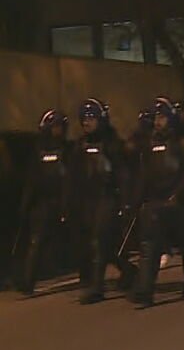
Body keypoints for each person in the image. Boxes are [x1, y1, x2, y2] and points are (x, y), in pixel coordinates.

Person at [130, 97, 184, 308]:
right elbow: (144, 176)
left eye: (161, 117)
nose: (158, 122)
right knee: (149, 246)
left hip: (180, 203)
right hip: (155, 204)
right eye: (155, 118)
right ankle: (145, 290)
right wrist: (135, 203)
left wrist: (178, 195)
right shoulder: (150, 145)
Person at [70, 98, 136, 304]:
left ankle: (96, 287)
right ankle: (129, 270)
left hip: (108, 198)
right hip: (88, 199)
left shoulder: (112, 144)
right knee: (102, 243)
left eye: (91, 118)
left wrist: (125, 203)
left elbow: (123, 174)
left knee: (99, 239)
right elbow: (74, 174)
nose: (86, 123)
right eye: (84, 119)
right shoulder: (80, 145)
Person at [17, 110, 72, 295]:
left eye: (60, 127)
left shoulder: (67, 150)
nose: (58, 131)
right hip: (42, 205)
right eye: (55, 127)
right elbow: (32, 180)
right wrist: (26, 205)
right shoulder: (39, 150)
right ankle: (27, 281)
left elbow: (70, 179)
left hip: (59, 202)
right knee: (37, 242)